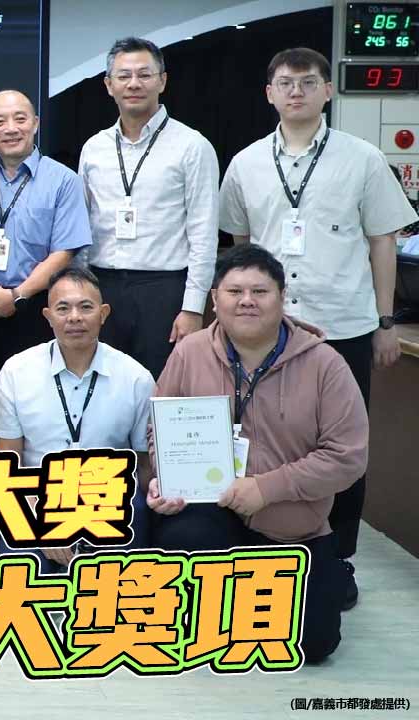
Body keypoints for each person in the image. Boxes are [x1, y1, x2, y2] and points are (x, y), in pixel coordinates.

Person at [218, 48, 419, 608]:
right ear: (269, 93)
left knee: (342, 445)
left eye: (308, 82)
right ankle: (261, 543)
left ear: (328, 91)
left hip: (343, 325)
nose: (297, 92)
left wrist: (385, 322)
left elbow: (382, 241)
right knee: (262, 437)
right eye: (285, 83)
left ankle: (338, 556)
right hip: (267, 330)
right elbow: (240, 247)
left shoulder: (362, 158)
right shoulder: (247, 163)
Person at [147, 245, 367, 664]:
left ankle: (319, 576)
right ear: (215, 299)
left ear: (283, 297)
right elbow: (160, 426)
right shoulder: (190, 352)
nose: (246, 301)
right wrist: (165, 476)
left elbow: (347, 456)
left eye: (260, 291)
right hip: (210, 513)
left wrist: (266, 489)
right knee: (183, 553)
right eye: (234, 291)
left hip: (291, 526)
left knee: (313, 645)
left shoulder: (325, 364)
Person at [78, 37, 219, 378]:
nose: (134, 84)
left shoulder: (192, 146)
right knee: (103, 386)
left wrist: (192, 308)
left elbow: (203, 233)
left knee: (161, 388)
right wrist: (81, 289)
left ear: (162, 81)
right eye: (124, 76)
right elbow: (81, 225)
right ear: (108, 85)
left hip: (164, 291)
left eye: (144, 74)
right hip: (102, 285)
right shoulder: (94, 148)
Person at [0, 267, 155, 571]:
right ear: (47, 316)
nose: (74, 317)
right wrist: (40, 522)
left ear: (103, 313)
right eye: (63, 308)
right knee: (20, 571)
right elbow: (9, 466)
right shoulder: (17, 372)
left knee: (116, 577)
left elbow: (142, 464)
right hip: (36, 496)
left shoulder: (135, 378)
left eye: (85, 307)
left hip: (109, 494)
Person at [0, 90, 93, 380]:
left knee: (38, 388)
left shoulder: (64, 180)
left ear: (35, 123)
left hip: (39, 306)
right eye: (0, 121)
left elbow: (64, 252)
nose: (10, 128)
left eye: (20, 119)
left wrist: (17, 295)